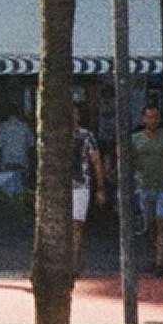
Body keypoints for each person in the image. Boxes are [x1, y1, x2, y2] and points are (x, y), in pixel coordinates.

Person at [130, 96, 163, 271]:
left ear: (160, 119)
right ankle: (155, 249)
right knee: (150, 224)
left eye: (155, 117)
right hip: (144, 187)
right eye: (149, 117)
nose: (152, 120)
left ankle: (160, 262)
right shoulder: (135, 139)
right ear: (143, 119)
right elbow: (129, 163)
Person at [72, 106, 105, 271]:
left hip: (81, 185)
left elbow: (96, 161)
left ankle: (75, 261)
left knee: (77, 224)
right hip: (59, 187)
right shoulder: (55, 136)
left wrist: (100, 187)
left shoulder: (87, 136)